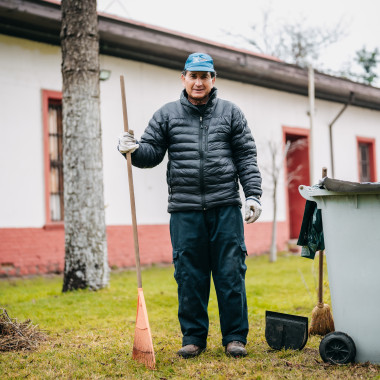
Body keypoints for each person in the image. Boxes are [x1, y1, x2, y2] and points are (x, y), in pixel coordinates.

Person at [118, 52, 262, 358]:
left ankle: (235, 337)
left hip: (225, 207)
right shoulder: (167, 114)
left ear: (213, 79)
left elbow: (246, 157)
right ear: (183, 78)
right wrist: (131, 149)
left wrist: (253, 195)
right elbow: (151, 154)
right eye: (193, 76)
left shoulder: (231, 113)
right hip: (185, 210)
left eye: (204, 76)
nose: (198, 82)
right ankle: (193, 338)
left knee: (230, 272)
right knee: (189, 275)